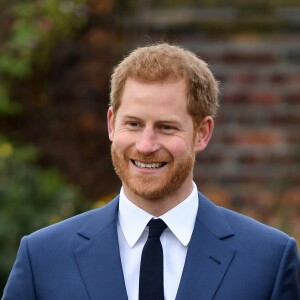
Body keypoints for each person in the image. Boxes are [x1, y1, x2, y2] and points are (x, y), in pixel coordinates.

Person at [2, 43, 300, 300]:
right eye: (133, 124)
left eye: (166, 127)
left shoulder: (268, 260)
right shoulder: (43, 257)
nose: (145, 145)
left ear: (202, 133)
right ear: (111, 123)